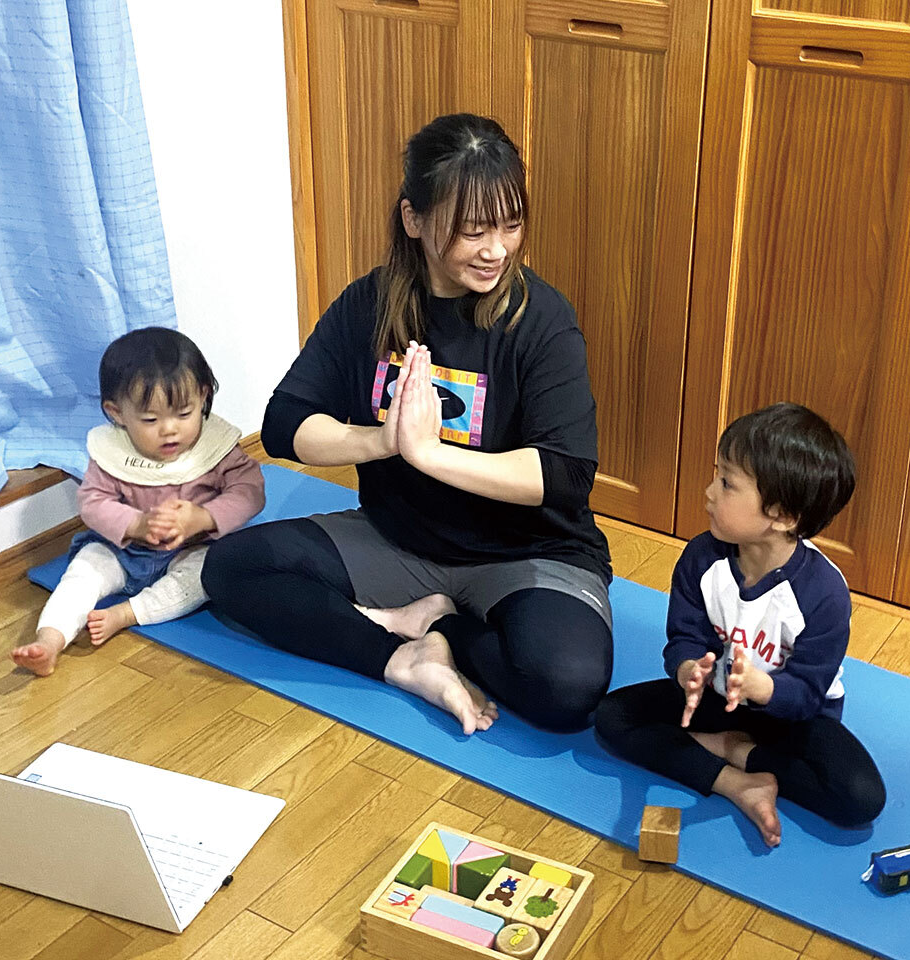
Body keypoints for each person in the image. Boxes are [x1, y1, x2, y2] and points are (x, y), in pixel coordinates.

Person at [201, 113, 613, 735]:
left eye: (510, 225)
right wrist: (381, 441)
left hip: (528, 552)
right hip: (400, 542)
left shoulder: (542, 320)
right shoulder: (368, 305)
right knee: (232, 568)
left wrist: (429, 455)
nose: (497, 250)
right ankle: (403, 657)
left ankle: (439, 625)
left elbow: (564, 476)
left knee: (565, 686)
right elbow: (284, 425)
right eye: (473, 230)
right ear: (413, 219)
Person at [595, 403, 885, 847]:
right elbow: (684, 637)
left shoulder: (824, 593)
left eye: (727, 483)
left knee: (861, 799)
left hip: (794, 718)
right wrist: (687, 670)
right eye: (718, 476)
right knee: (612, 717)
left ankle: (736, 750)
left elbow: (808, 692)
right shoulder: (702, 558)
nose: (709, 492)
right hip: (718, 702)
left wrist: (762, 689)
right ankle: (734, 782)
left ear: (782, 516)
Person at [11, 328, 266, 676]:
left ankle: (127, 613)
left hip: (194, 547)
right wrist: (136, 524)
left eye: (184, 413)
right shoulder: (112, 451)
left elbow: (250, 491)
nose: (169, 429)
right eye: (150, 419)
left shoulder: (216, 447)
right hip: (124, 550)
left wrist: (204, 517)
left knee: (207, 575)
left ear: (203, 396)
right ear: (117, 413)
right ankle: (49, 640)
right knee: (83, 574)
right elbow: (93, 501)